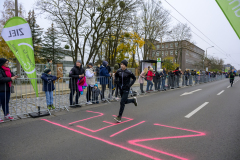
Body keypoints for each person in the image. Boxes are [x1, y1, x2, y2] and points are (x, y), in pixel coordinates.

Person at [0, 58, 18, 122]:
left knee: (6, 102)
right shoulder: (0, 70)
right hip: (1, 89)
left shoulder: (8, 69)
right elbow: (1, 79)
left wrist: (15, 76)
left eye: (8, 63)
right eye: (6, 63)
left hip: (7, 88)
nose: (8, 64)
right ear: (2, 63)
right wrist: (11, 78)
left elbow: (12, 75)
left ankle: (7, 114)